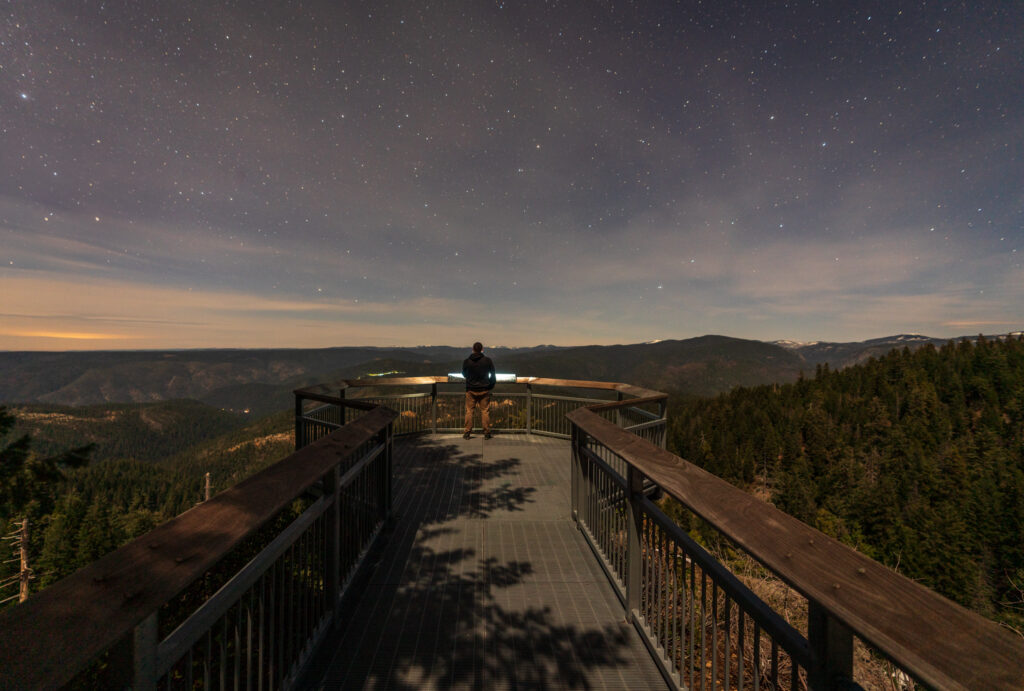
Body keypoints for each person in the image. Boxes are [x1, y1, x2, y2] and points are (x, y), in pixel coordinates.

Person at [462, 341, 496, 439]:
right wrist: (490, 386)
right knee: (485, 411)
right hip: (484, 389)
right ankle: (486, 433)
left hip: (470, 390)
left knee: (469, 411)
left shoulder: (467, 361)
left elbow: (464, 374)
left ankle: (467, 432)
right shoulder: (488, 360)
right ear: (482, 350)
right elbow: (493, 375)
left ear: (473, 349)